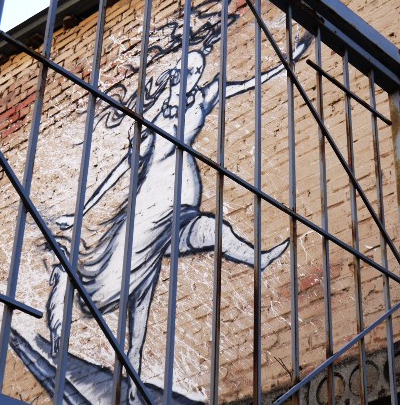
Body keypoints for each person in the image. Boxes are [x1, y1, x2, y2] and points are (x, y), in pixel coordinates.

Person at [47, 34, 311, 403]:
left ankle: (258, 259)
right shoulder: (155, 116)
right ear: (175, 73)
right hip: (149, 214)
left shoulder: (205, 97)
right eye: (187, 70)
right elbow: (122, 169)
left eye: (198, 71)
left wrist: (289, 57)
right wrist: (80, 212)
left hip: (182, 211)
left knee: (214, 231)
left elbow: (252, 80)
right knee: (127, 296)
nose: (194, 76)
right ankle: (67, 278)